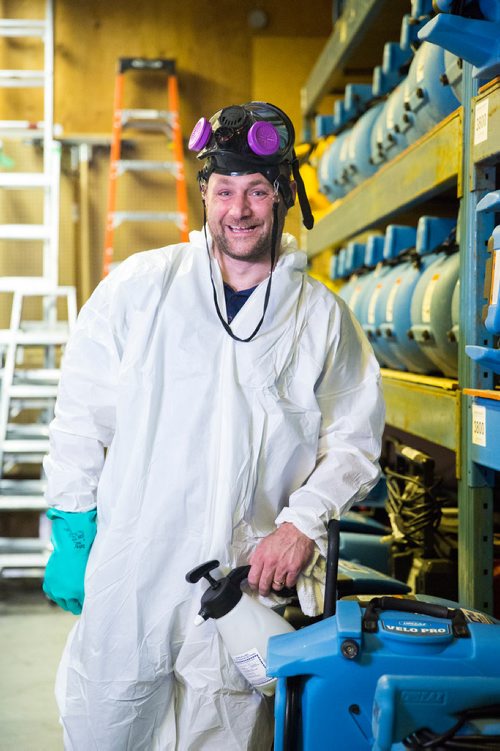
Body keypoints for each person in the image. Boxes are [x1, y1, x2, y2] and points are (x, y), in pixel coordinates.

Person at [42, 101, 385, 750]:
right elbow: (81, 410)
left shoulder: (319, 317)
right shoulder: (141, 287)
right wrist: (71, 519)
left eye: (257, 190)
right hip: (133, 568)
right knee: (106, 721)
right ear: (204, 193)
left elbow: (354, 440)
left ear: (284, 194)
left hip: (239, 581)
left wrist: (301, 523)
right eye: (224, 189)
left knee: (222, 731)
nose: (239, 209)